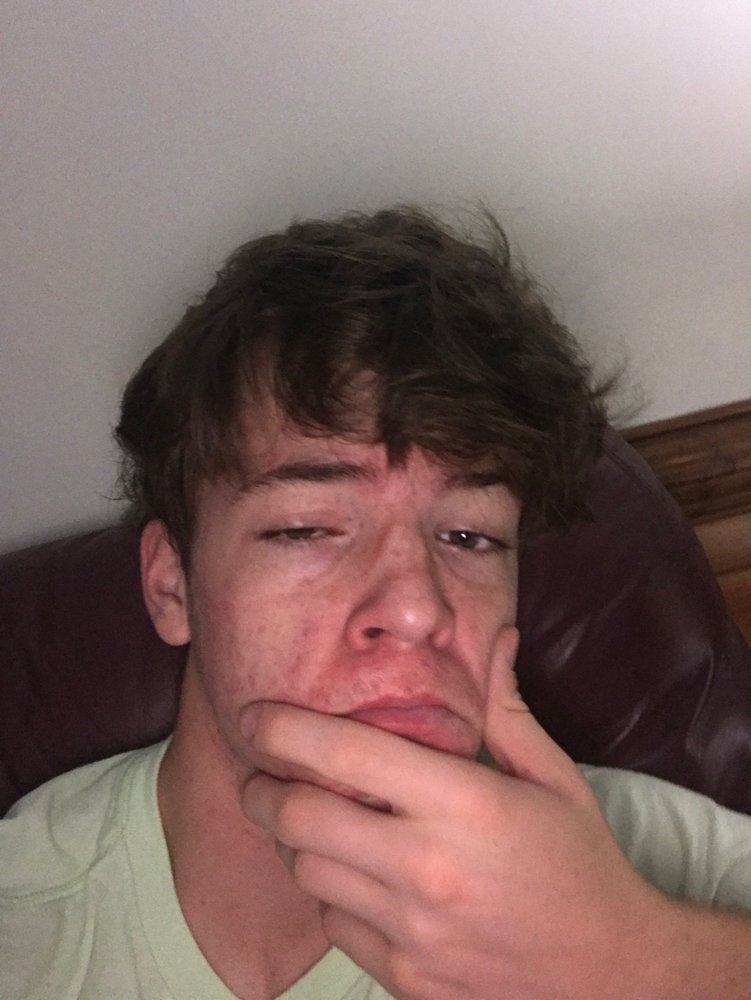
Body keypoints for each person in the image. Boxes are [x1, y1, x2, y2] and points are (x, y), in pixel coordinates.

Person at [2, 206, 751, 1000]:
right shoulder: (24, 908)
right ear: (171, 586)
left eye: (468, 536)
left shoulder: (662, 863)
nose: (417, 608)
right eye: (304, 529)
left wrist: (640, 963)